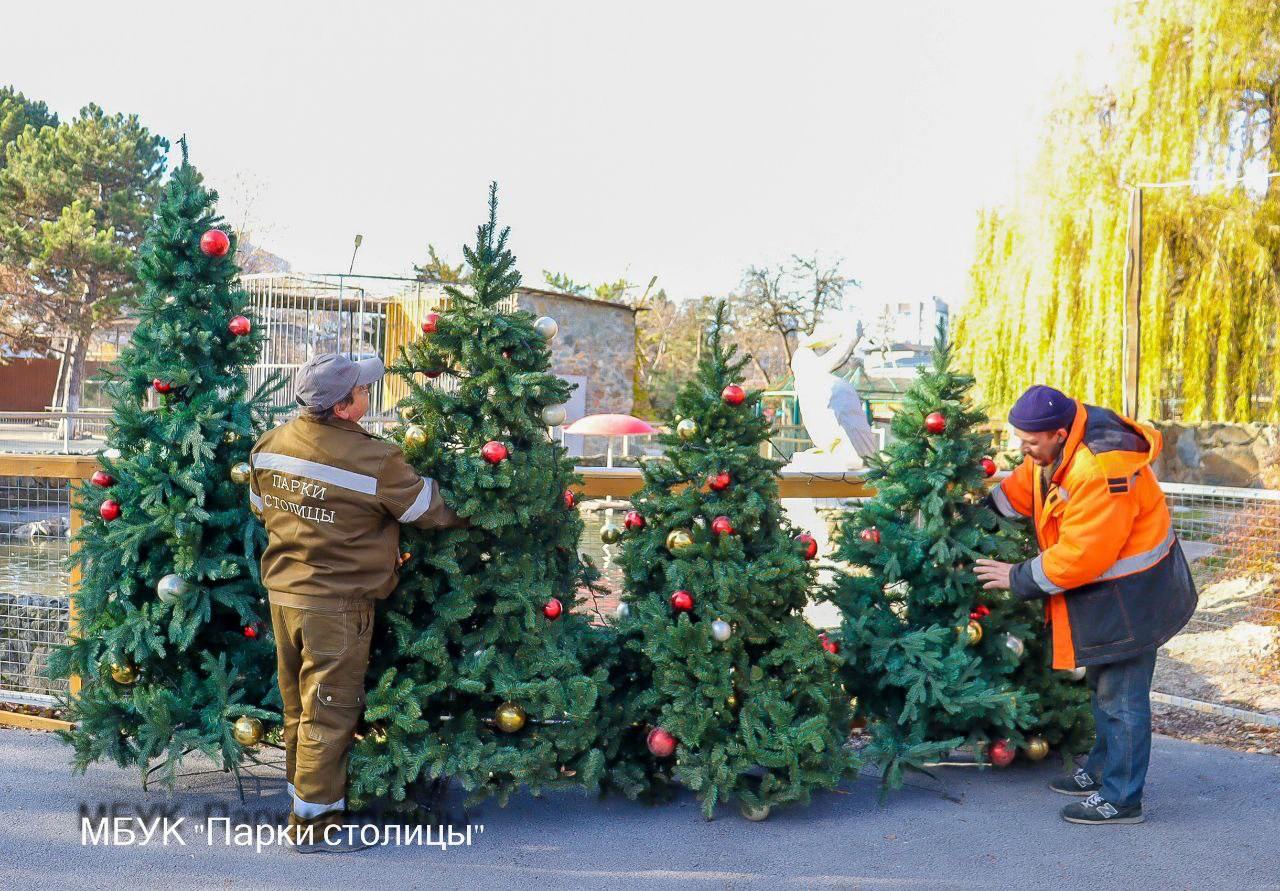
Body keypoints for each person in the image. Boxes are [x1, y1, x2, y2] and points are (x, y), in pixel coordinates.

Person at [248, 353, 467, 852]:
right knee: (330, 710)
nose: (370, 395)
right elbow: (425, 508)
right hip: (337, 604)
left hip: (283, 593)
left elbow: (261, 506)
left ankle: (300, 800)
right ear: (344, 406)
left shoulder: (271, 443)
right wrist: (488, 505)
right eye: (364, 389)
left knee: (297, 708)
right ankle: (314, 829)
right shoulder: (375, 458)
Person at [974, 385, 1197, 826]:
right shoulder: (1055, 449)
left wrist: (1016, 576)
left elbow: (1084, 555)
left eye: (1030, 442)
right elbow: (1026, 485)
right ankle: (1100, 770)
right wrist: (980, 510)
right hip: (1110, 596)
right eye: (1019, 439)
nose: (1023, 449)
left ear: (1058, 434)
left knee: (1123, 698)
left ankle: (1121, 798)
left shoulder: (1099, 469)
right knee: (1104, 688)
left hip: (1135, 598)